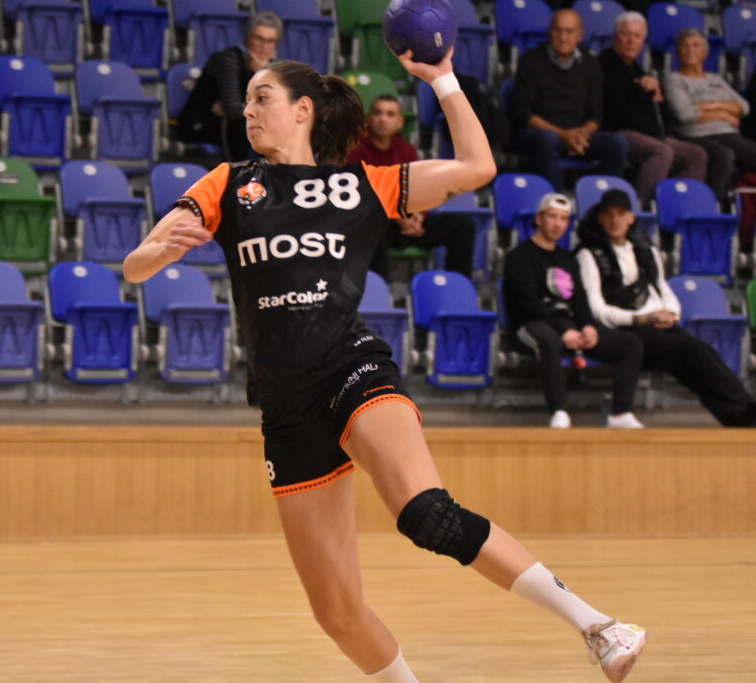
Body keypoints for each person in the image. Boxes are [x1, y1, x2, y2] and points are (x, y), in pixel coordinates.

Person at [124, 47, 646, 682]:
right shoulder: (228, 182)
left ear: (303, 109)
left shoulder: (360, 184)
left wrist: (443, 79)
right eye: (248, 100)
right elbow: (136, 264)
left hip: (353, 370)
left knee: (426, 514)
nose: (249, 110)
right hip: (286, 408)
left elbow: (478, 167)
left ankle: (600, 626)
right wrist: (158, 254)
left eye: (263, 98)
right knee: (337, 613)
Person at [576, 189, 756, 427]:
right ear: (600, 218)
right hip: (625, 330)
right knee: (691, 351)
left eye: (620, 214)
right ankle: (745, 404)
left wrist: (671, 313)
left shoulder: (646, 250)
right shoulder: (588, 254)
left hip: (657, 325)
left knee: (702, 354)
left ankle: (737, 416)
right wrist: (640, 319)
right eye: (609, 214)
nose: (614, 220)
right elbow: (597, 309)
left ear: (631, 217)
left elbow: (662, 288)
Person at [503, 192, 645, 429]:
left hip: (568, 325)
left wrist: (588, 326)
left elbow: (579, 298)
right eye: (552, 217)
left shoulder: (567, 258)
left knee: (630, 343)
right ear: (539, 219)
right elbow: (528, 304)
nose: (557, 224)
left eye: (563, 218)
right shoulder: (519, 256)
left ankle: (620, 413)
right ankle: (559, 411)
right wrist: (564, 331)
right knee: (549, 341)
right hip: (529, 324)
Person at [346, 93, 476, 280]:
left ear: (400, 122)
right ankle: (381, 288)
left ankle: (458, 285)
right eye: (378, 113)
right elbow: (361, 194)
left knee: (463, 225)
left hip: (408, 219)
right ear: (368, 119)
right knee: (373, 223)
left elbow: (417, 187)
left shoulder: (407, 150)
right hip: (379, 223)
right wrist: (397, 215)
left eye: (390, 114)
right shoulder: (355, 151)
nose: (383, 119)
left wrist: (418, 216)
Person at [510, 9, 628, 191]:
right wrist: (563, 135)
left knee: (617, 143)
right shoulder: (530, 60)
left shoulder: (591, 64)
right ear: (550, 32)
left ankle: (603, 199)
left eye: (569, 31)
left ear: (580, 35)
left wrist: (582, 134)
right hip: (539, 133)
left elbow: (597, 115)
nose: (563, 37)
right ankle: (557, 202)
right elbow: (522, 112)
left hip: (578, 136)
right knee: (548, 140)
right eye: (558, 30)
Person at [598, 12, 706, 206]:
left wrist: (657, 94)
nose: (631, 41)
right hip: (619, 132)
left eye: (637, 36)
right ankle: (641, 209)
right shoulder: (605, 63)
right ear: (615, 36)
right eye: (626, 35)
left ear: (644, 42)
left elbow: (659, 112)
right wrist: (643, 90)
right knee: (661, 152)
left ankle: (680, 207)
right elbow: (617, 109)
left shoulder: (638, 69)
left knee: (696, 154)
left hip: (652, 134)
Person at [664, 28, 756, 201]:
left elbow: (744, 107)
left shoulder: (715, 79)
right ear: (678, 53)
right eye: (685, 46)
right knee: (724, 154)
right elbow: (686, 115)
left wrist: (713, 105)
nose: (690, 50)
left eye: (696, 45)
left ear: (705, 52)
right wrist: (724, 115)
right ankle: (713, 206)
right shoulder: (674, 79)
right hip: (695, 135)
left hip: (729, 134)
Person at [177, 11, 282, 162]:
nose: (263, 46)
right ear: (247, 37)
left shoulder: (274, 67)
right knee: (244, 125)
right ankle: (237, 174)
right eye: (258, 38)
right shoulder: (227, 59)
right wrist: (258, 75)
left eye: (270, 41)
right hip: (200, 124)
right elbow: (234, 110)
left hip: (232, 122)